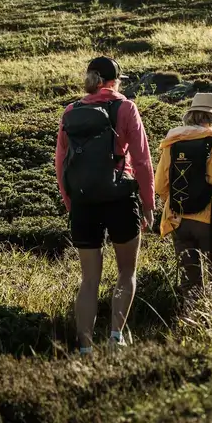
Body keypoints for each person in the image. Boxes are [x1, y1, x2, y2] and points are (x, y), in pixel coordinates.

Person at [55, 56, 155, 354]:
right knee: (126, 272)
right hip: (120, 198)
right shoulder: (125, 107)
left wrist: (70, 201)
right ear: (117, 80)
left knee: (89, 280)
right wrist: (149, 203)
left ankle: (85, 347)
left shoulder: (71, 111)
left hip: (84, 202)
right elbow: (142, 159)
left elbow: (61, 162)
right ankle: (115, 336)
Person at [154, 92, 212, 298]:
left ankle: (189, 320)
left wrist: (178, 203)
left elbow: (160, 186)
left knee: (189, 282)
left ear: (191, 114)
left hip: (179, 220)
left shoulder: (172, 144)